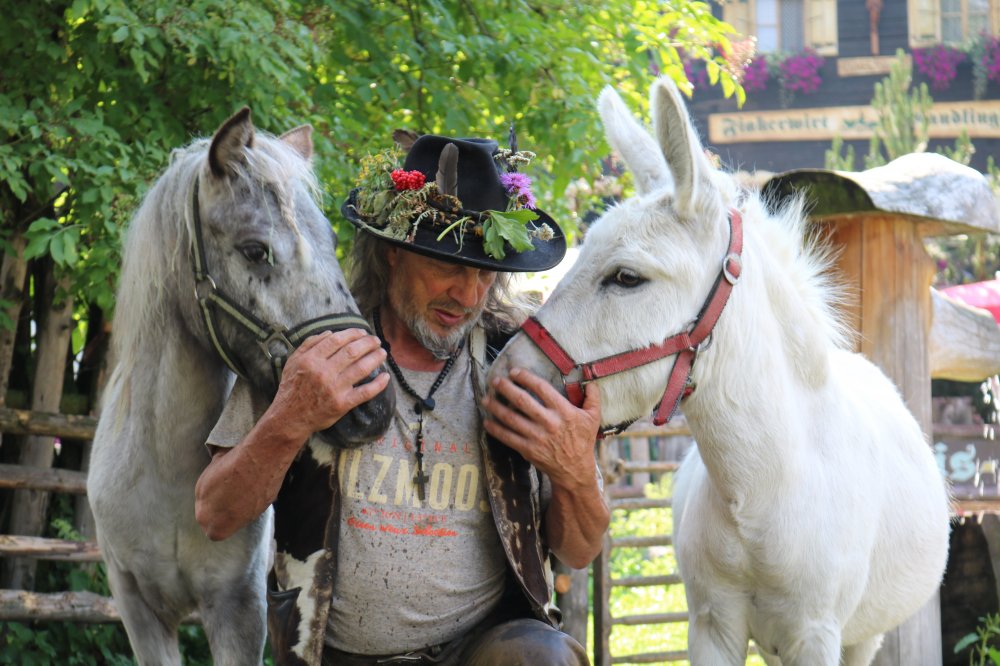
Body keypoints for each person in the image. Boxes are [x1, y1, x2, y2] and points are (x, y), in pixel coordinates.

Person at [195, 131, 610, 666]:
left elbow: (578, 551)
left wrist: (576, 473)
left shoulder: (518, 363)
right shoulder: (312, 355)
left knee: (541, 658)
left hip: (484, 649)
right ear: (392, 254)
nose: (468, 295)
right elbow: (215, 514)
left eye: (485, 271)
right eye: (448, 266)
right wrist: (291, 417)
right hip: (338, 655)